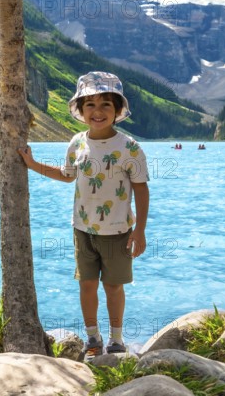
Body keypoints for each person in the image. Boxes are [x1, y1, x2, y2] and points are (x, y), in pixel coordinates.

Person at [18, 71, 150, 360]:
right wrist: (32, 164)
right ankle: (93, 337)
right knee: (87, 284)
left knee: (114, 286)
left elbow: (141, 190)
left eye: (105, 104)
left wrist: (139, 231)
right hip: (82, 230)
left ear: (117, 111)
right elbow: (67, 176)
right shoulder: (77, 142)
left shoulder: (129, 148)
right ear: (80, 110)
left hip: (118, 231)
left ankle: (116, 339)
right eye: (89, 104)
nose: (97, 111)